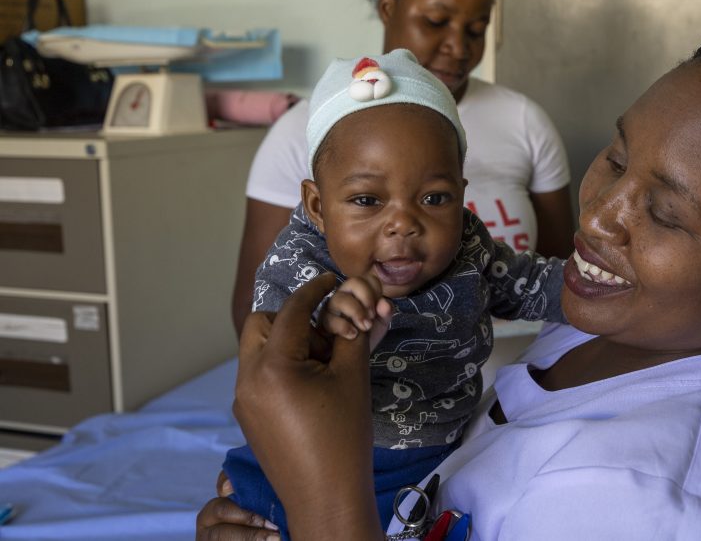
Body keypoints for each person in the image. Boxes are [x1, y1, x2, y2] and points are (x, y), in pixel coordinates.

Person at [198, 29, 701, 540]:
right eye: (617, 158)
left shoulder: (641, 501)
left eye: (666, 212)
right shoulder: (652, 320)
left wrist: (322, 498)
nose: (601, 215)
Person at [222, 49, 565, 537]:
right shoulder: (300, 263)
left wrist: (594, 288)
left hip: (441, 451)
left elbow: (531, 284)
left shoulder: (467, 247)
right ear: (318, 206)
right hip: (320, 463)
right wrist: (325, 326)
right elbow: (274, 363)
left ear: (462, 196)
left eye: (433, 198)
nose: (403, 223)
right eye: (366, 200)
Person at [231, 0, 574, 336]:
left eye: (476, 28)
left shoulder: (525, 122)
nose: (459, 46)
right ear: (389, 8)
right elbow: (259, 316)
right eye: (436, 21)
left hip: (511, 386)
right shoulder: (308, 132)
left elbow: (559, 285)